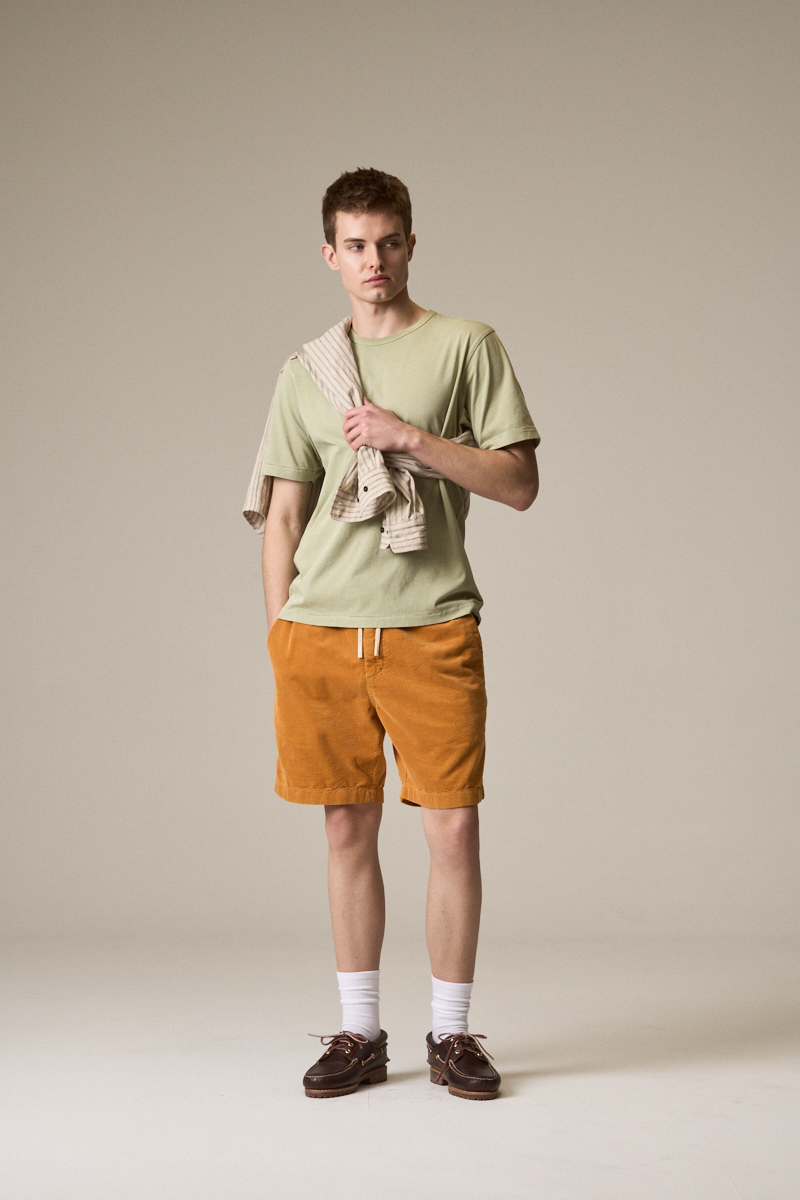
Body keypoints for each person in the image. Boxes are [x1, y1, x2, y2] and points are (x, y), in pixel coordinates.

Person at [243, 167, 540, 1101]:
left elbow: (519, 483)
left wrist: (409, 438)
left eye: (390, 242)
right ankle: (360, 1033)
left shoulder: (466, 346)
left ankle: (451, 1035)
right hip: (323, 635)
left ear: (412, 244)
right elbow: (282, 516)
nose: (374, 260)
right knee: (345, 827)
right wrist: (280, 635)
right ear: (330, 255)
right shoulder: (305, 370)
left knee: (453, 829)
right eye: (356, 246)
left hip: (431, 624)